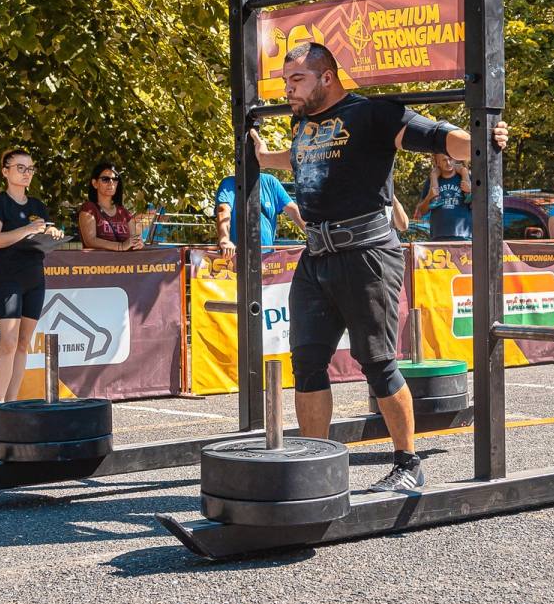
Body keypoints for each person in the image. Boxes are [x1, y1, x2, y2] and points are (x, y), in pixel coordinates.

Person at [249, 41, 508, 493]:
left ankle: (408, 464)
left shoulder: (372, 114)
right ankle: (317, 467)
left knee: (377, 363)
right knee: (307, 362)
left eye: (297, 80)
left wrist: (482, 140)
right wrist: (262, 158)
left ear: (326, 77)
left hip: (367, 253)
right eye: (286, 80)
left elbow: (437, 136)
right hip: (316, 255)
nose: (288, 89)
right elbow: (297, 159)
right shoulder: (302, 123)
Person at [0, 149, 64, 422]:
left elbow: (45, 232)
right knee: (7, 342)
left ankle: (12, 404)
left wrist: (53, 232)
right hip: (7, 278)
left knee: (23, 343)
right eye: (20, 167)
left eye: (30, 168)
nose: (26, 173)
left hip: (34, 278)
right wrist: (27, 230)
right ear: (5, 171)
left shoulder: (37, 206)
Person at [215, 173, 303, 254]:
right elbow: (223, 210)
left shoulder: (271, 182)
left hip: (267, 258)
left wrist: (310, 233)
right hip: (235, 257)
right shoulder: (229, 183)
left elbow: (293, 210)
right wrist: (224, 239)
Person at [78, 162, 145, 251]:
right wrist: (120, 246)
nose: (111, 183)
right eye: (105, 179)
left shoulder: (124, 213)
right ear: (95, 183)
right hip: (97, 260)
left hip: (123, 260)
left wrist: (138, 243)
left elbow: (133, 241)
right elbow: (90, 241)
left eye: (115, 179)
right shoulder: (89, 209)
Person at [413, 153, 473, 240]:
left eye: (450, 159)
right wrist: (429, 196)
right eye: (444, 160)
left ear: (455, 158)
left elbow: (480, 206)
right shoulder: (431, 180)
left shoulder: (467, 177)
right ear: (437, 162)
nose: (448, 163)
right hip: (438, 236)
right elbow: (421, 212)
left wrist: (470, 190)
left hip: (464, 236)